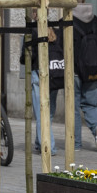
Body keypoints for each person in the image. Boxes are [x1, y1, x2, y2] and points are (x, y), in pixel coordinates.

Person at [71, 0, 97, 151]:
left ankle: (76, 144)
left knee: (73, 108)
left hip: (75, 72)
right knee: (91, 105)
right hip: (94, 70)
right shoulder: (94, 19)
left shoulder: (67, 20)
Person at [20, 15, 61, 155]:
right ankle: (39, 142)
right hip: (54, 75)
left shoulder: (31, 32)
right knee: (48, 113)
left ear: (34, 15)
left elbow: (24, 58)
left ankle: (49, 147)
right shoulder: (55, 30)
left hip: (38, 74)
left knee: (41, 113)